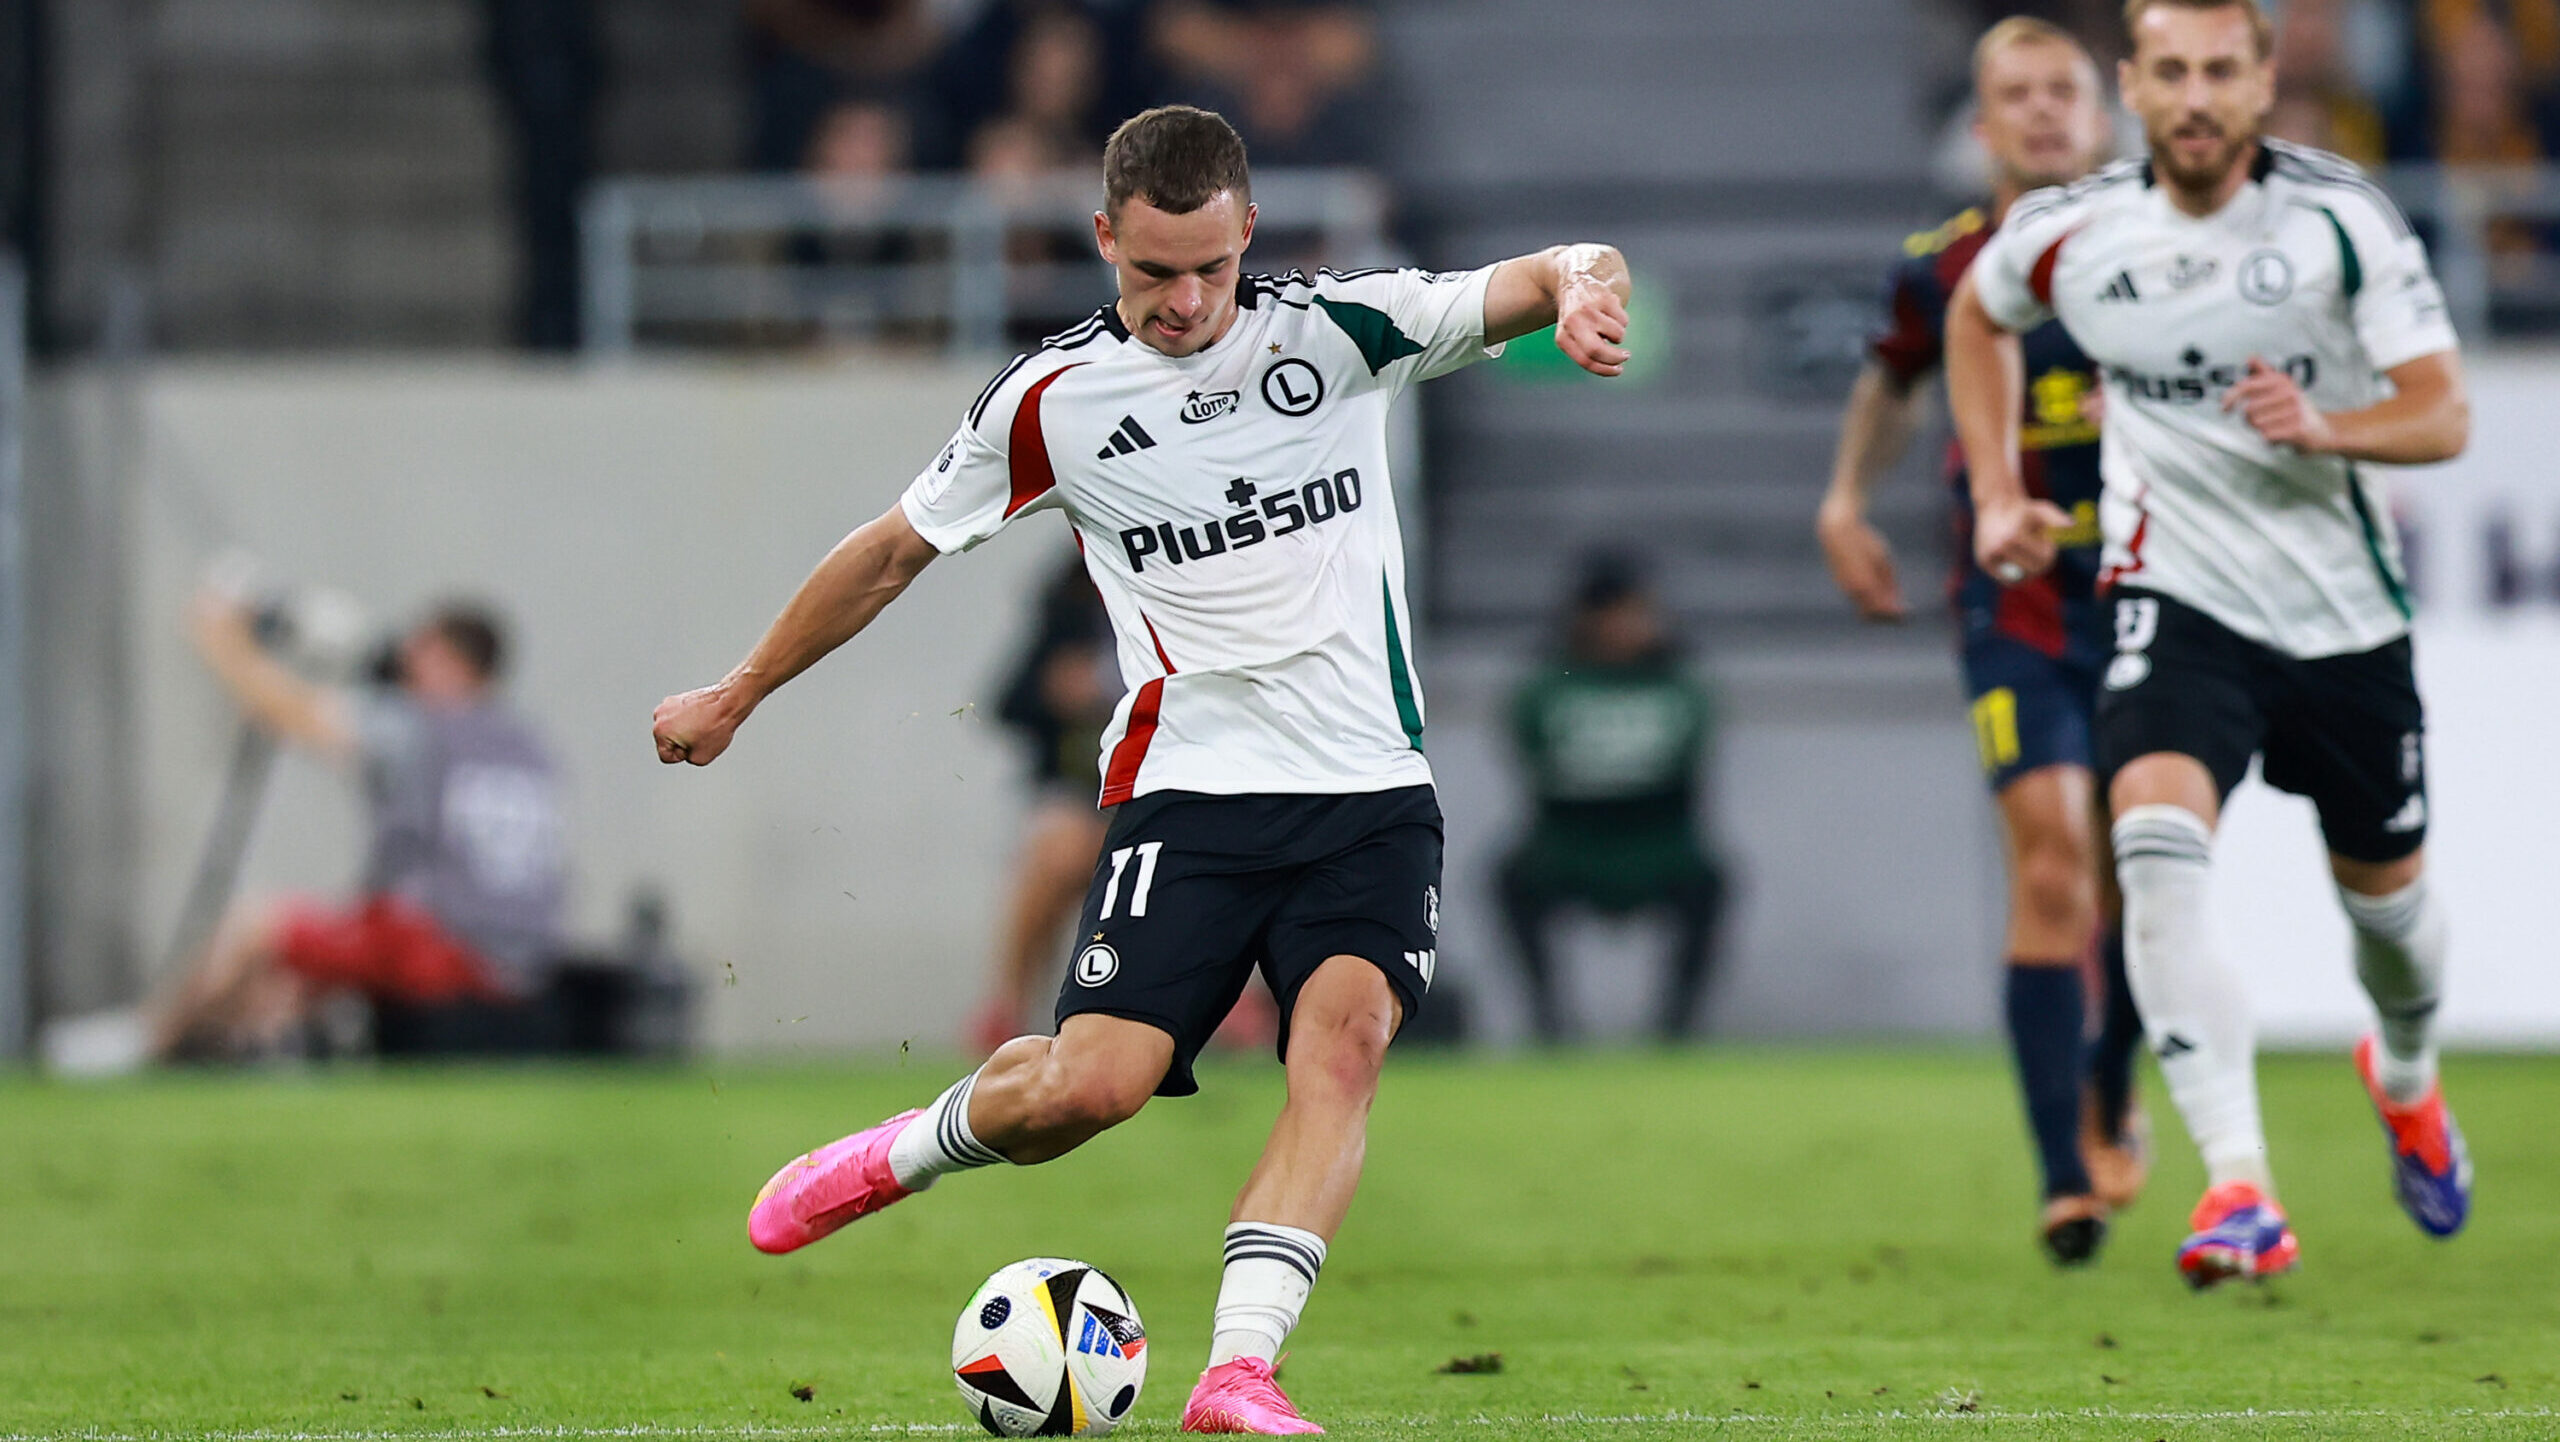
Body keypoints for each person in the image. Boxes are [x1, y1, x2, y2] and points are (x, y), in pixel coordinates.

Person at [652, 105, 1630, 1433]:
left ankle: (1239, 1370)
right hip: (1191, 795)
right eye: (1151, 272)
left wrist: (1582, 288)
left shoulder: (1344, 331)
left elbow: (1551, 266)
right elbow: (892, 549)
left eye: (1210, 270)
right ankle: (900, 1151)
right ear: (1104, 237)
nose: (1183, 301)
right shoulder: (1049, 402)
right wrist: (739, 689)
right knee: (1087, 1088)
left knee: (1339, 1051)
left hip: (1370, 794)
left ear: (1248, 238)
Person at [1948, 0, 2475, 1289]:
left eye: (2218, 72)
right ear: (2132, 84)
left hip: (2340, 618)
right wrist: (1998, 483)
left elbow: (2443, 412)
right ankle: (2238, 1182)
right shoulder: (2070, 230)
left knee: (2390, 914)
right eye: (2168, 71)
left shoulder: (2340, 222)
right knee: (2151, 845)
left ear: (2259, 82)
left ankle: (2402, 1073)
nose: (2192, 95)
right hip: (2175, 602)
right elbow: (1975, 315)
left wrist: (2328, 424)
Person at [1818, 16, 2149, 1267]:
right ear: (1983, 123)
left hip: (2153, 596)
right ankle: (2066, 1174)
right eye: (2016, 93)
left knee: (2137, 871)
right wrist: (1845, 497)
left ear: (2102, 109)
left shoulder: (2158, 257)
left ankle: (2109, 1084)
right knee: (2054, 859)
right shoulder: (1943, 268)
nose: (2043, 112)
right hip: (2011, 606)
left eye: (2062, 89)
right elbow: (1893, 381)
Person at [151, 596, 567, 1061]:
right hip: (524, 963)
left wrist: (222, 639)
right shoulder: (527, 743)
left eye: (420, 651)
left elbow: (291, 712)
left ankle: (147, 1045)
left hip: (443, 947)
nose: (405, 664)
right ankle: (239, 1051)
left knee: (255, 925)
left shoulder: (420, 726)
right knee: (302, 967)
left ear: (448, 661)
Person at [1496, 554, 1726, 1044]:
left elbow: (1691, 765)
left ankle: (1676, 1030)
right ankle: (1551, 1024)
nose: (1642, 625)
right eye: (1628, 612)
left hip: (1660, 846)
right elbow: (1536, 762)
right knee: (1511, 880)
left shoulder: (1677, 682)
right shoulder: (1549, 682)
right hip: (1568, 847)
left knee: (1710, 882)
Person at [968, 554, 1120, 1054]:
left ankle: (1238, 1009)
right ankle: (1007, 1005)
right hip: (1084, 789)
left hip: (1173, 787)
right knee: (1056, 848)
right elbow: (1008, 701)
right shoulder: (1073, 603)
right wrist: (1057, 693)